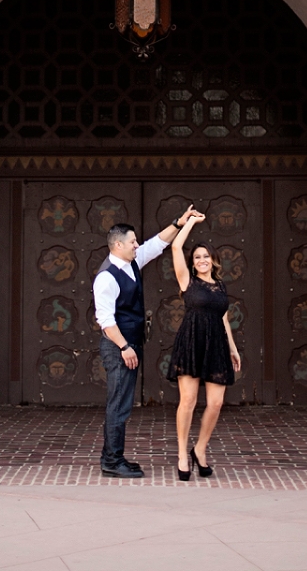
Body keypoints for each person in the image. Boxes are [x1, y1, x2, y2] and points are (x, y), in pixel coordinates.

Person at [93, 205, 203, 478]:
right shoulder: (107, 277)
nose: (137, 245)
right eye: (132, 242)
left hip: (128, 345)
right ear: (118, 245)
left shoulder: (130, 261)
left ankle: (113, 457)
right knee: (118, 404)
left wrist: (179, 222)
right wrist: (124, 347)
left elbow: (157, 244)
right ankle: (112, 461)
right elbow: (106, 321)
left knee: (122, 402)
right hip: (119, 347)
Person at [167, 212, 241, 480]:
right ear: (193, 262)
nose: (201, 260)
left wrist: (232, 347)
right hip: (192, 341)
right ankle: (182, 454)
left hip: (217, 345)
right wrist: (190, 222)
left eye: (206, 256)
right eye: (197, 257)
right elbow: (176, 246)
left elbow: (223, 318)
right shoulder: (187, 281)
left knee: (216, 403)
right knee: (188, 401)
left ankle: (199, 448)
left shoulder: (220, 286)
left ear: (213, 260)